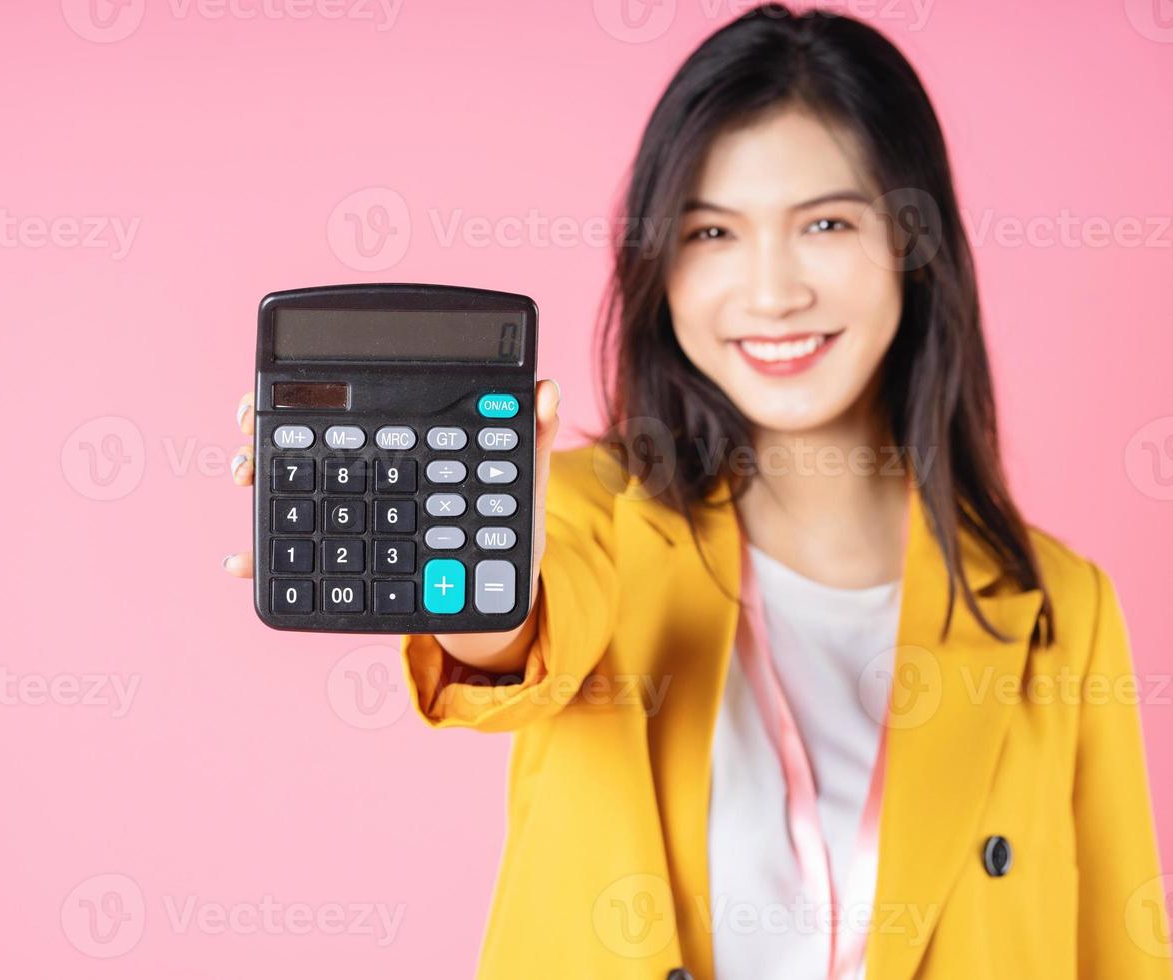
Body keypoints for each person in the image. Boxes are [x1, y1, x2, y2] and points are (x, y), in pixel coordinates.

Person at [223, 5, 1170, 977]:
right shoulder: (588, 515)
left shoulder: (1061, 604)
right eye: (712, 230)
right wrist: (450, 555)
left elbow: (1120, 945)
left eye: (828, 223)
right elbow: (520, 633)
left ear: (912, 245)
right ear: (660, 266)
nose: (771, 291)